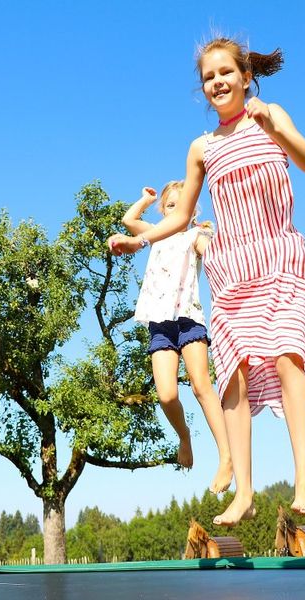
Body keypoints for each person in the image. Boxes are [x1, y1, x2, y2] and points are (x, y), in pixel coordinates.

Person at [108, 37, 305, 525]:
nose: (217, 82)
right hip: (231, 267)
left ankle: (304, 481)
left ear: (245, 76)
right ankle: (244, 492)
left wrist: (273, 130)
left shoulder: (272, 115)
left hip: (279, 254)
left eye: (225, 72)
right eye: (208, 77)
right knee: (233, 376)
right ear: (203, 89)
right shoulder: (202, 147)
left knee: (288, 356)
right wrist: (140, 241)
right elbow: (180, 219)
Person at [122, 182, 232, 494]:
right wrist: (145, 199)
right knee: (167, 395)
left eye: (183, 205)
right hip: (160, 321)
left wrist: (210, 238)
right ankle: (185, 437)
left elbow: (211, 253)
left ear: (193, 209)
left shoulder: (195, 234)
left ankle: (226, 457)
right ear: (164, 212)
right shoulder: (156, 233)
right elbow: (130, 221)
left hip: (187, 317)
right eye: (171, 206)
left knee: (200, 385)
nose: (176, 210)